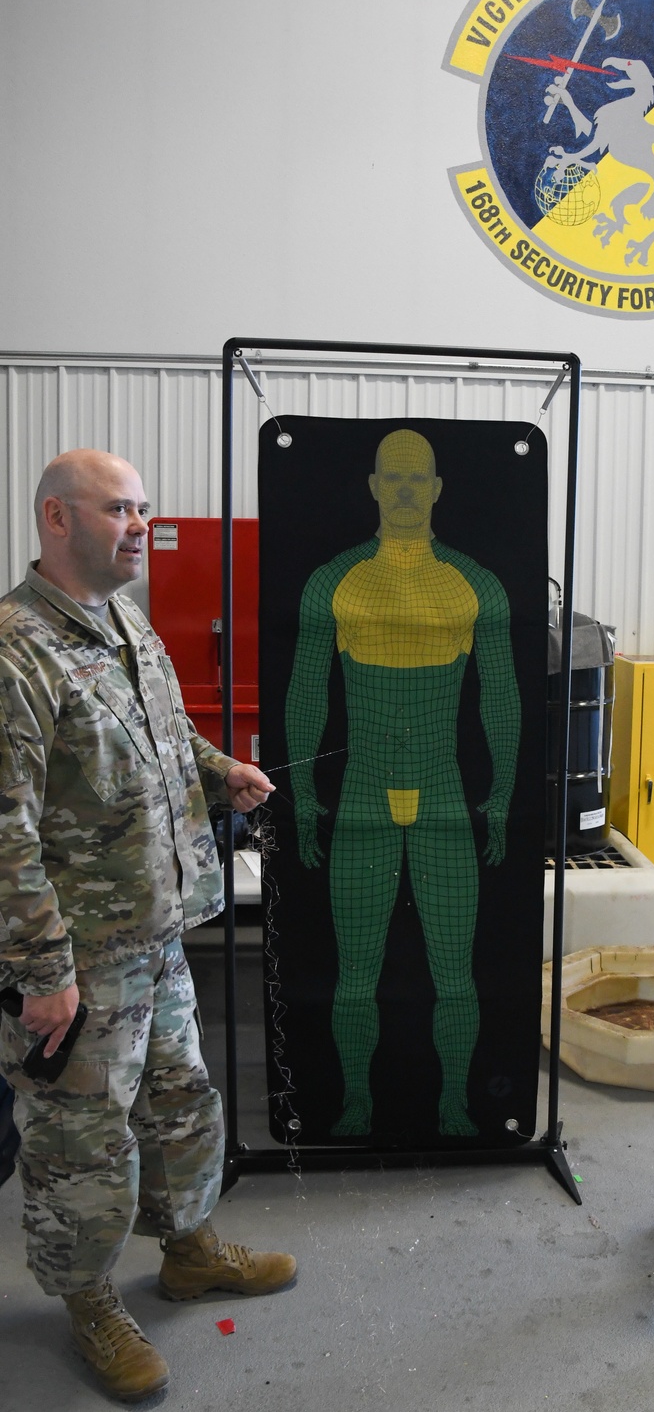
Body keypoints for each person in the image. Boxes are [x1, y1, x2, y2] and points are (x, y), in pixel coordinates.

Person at [0, 450, 296, 1402]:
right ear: (56, 519)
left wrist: (219, 773)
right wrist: (43, 971)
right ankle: (88, 1299)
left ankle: (188, 1248)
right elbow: (4, 834)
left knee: (178, 1101)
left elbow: (168, 732)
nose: (139, 525)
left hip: (159, 934)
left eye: (143, 509)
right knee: (83, 1138)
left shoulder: (122, 622)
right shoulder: (16, 652)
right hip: (78, 961)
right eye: (117, 509)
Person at [286, 428, 520, 1138]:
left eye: (421, 479)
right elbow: (307, 694)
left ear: (438, 489)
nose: (409, 491)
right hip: (361, 793)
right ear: (376, 487)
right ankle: (356, 1102)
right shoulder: (334, 580)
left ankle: (453, 1105)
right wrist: (300, 794)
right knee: (355, 973)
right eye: (397, 478)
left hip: (445, 792)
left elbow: (501, 696)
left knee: (456, 974)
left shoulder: (475, 583)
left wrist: (503, 792)